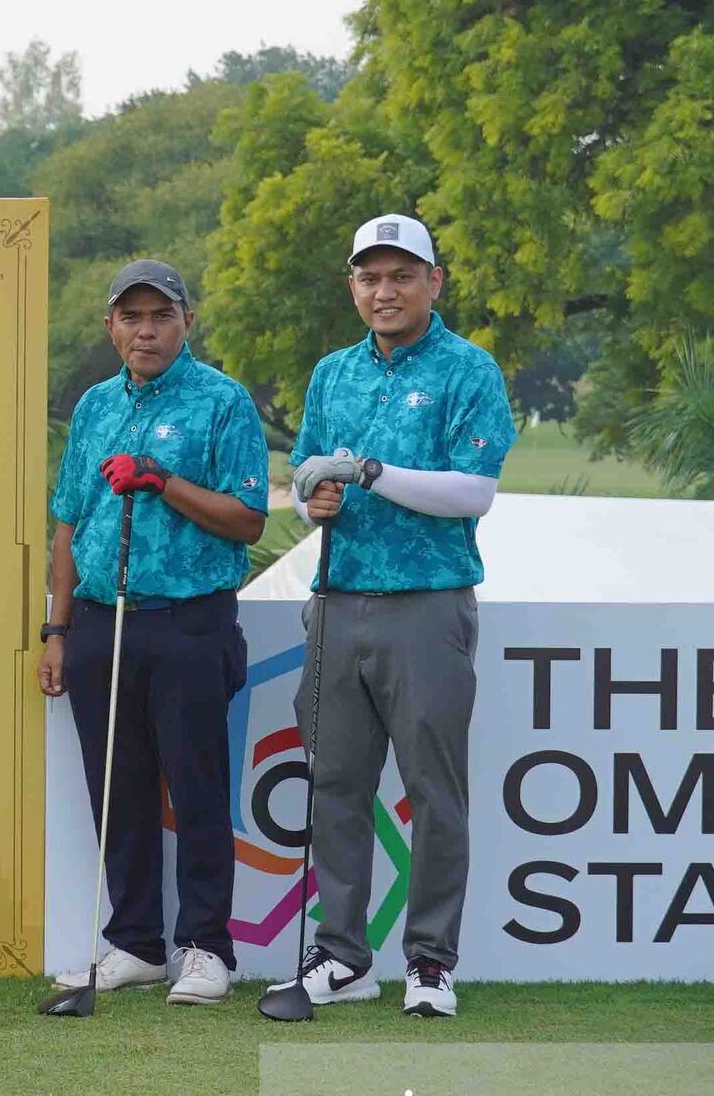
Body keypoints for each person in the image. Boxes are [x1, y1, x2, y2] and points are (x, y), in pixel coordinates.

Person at [274, 213, 513, 1019]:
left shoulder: (466, 369)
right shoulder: (331, 374)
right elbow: (308, 485)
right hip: (338, 603)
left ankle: (430, 962)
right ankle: (342, 957)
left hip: (428, 606)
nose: (385, 290)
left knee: (433, 790)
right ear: (353, 286)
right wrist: (320, 496)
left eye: (402, 275)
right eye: (370, 277)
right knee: (336, 786)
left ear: (432, 283)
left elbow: (473, 492)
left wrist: (372, 472)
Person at [39, 259, 268, 1005]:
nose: (145, 330)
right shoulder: (95, 406)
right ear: (110, 326)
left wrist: (161, 479)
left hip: (189, 621)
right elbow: (68, 522)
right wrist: (56, 627)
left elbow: (247, 517)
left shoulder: (221, 401)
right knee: (119, 789)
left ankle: (206, 947)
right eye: (131, 317)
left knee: (197, 789)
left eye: (160, 316)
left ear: (186, 323)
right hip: (103, 623)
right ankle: (134, 941)